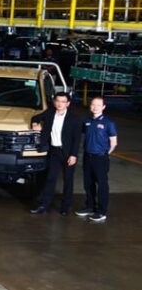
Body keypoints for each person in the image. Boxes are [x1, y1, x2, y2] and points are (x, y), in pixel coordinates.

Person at [29, 91, 82, 216]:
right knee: (50, 178)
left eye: (63, 102)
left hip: (68, 153)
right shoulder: (50, 113)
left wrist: (74, 155)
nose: (60, 104)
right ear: (54, 102)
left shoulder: (74, 118)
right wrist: (36, 125)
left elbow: (77, 139)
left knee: (68, 180)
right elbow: (35, 118)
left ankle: (65, 207)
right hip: (54, 152)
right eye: (57, 101)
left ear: (67, 104)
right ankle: (44, 206)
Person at [77, 95, 118, 223]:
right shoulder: (87, 121)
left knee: (102, 185)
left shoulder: (109, 123)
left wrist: (105, 154)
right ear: (90, 106)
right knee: (88, 184)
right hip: (87, 157)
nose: (95, 107)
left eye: (98, 105)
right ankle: (90, 207)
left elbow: (113, 142)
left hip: (100, 158)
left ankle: (101, 212)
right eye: (93, 104)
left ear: (103, 107)